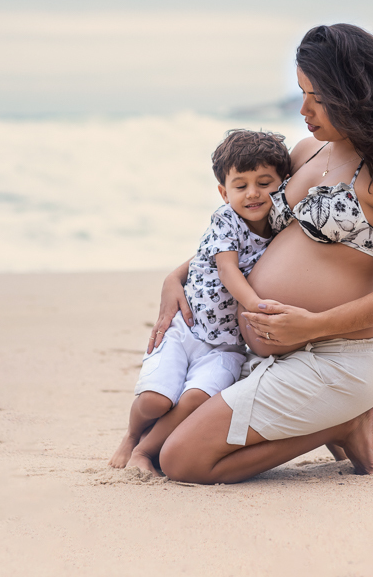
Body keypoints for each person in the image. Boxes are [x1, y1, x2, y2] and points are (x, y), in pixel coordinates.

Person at [148, 23, 373, 484]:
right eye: (301, 93)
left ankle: (344, 423)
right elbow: (249, 233)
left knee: (182, 461)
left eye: (317, 97)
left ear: (354, 92)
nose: (303, 109)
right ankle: (335, 421)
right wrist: (176, 276)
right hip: (267, 355)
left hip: (335, 358)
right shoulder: (307, 151)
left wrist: (313, 325)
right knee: (158, 442)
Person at [109, 129, 291, 473]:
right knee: (154, 401)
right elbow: (227, 269)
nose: (252, 193)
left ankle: (144, 450)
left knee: (195, 399)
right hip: (185, 329)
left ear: (283, 184)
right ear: (224, 192)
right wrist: (255, 304)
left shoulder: (283, 229)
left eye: (264, 183)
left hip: (227, 347)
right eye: (240, 186)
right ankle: (131, 436)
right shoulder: (226, 220)